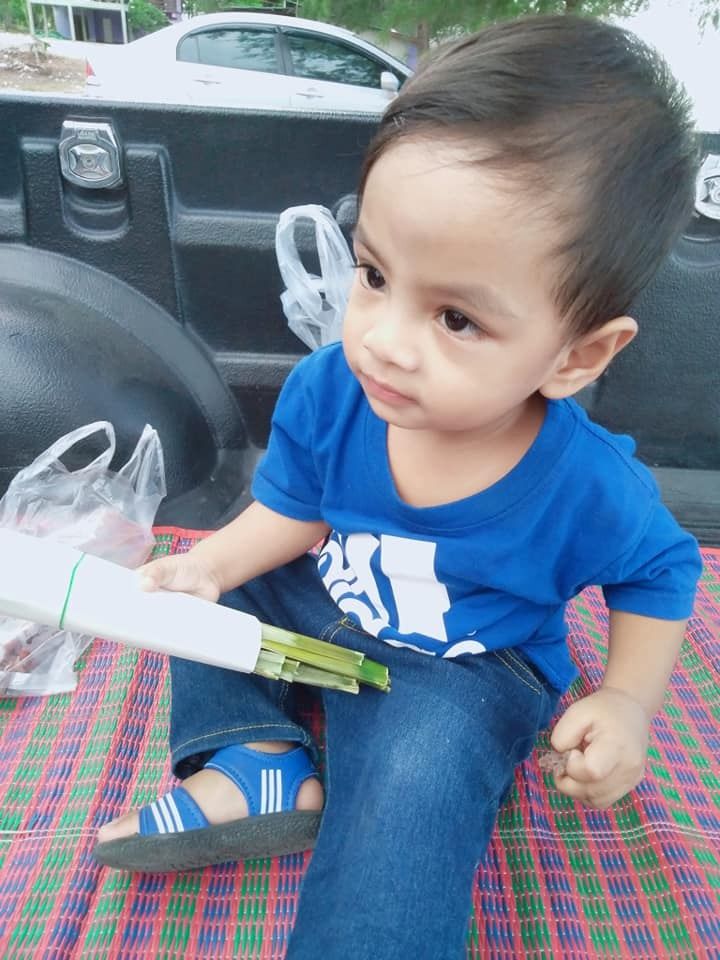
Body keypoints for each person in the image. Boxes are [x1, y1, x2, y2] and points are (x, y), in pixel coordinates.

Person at [94, 14, 703, 959]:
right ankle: (256, 756)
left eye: (455, 319)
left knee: (413, 783)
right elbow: (291, 512)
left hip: (465, 665)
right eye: (375, 274)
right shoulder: (331, 389)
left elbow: (661, 570)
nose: (382, 339)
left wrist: (627, 699)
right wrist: (211, 567)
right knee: (193, 593)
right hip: (329, 593)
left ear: (576, 356)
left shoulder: (589, 484)